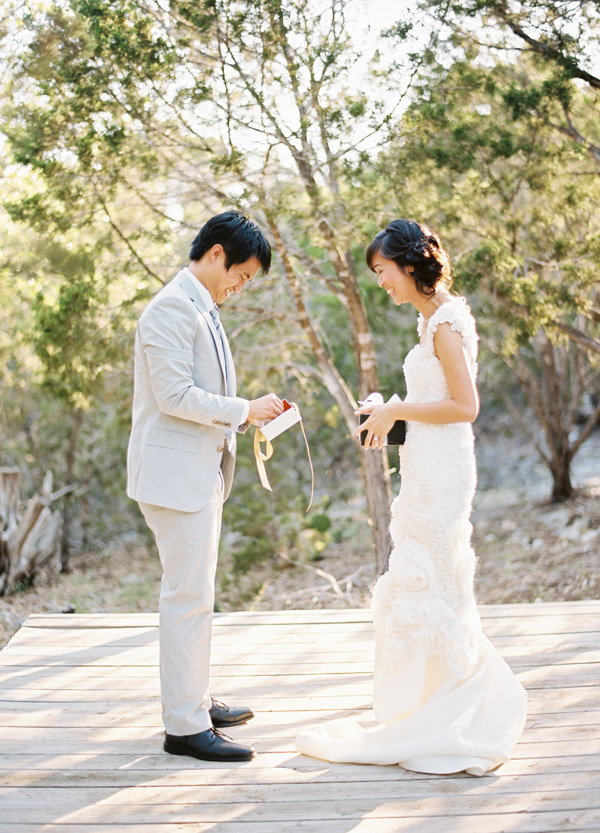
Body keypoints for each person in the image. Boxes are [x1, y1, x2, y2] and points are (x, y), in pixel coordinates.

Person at [295, 219, 527, 775]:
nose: (381, 283)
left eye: (382, 272)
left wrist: (397, 410)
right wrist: (389, 409)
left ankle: (460, 702)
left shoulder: (446, 321)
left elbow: (465, 407)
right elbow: (435, 399)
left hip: (444, 474)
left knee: (437, 581)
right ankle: (431, 702)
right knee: (425, 580)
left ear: (409, 264)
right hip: (425, 464)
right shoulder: (430, 323)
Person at [127, 210, 284, 762]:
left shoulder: (202, 305)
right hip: (173, 478)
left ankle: (192, 698)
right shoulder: (172, 306)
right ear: (216, 253)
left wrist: (250, 414)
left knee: (196, 595)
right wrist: (244, 411)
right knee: (187, 597)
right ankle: (185, 727)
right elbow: (174, 395)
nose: (240, 287)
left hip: (196, 475)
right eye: (240, 274)